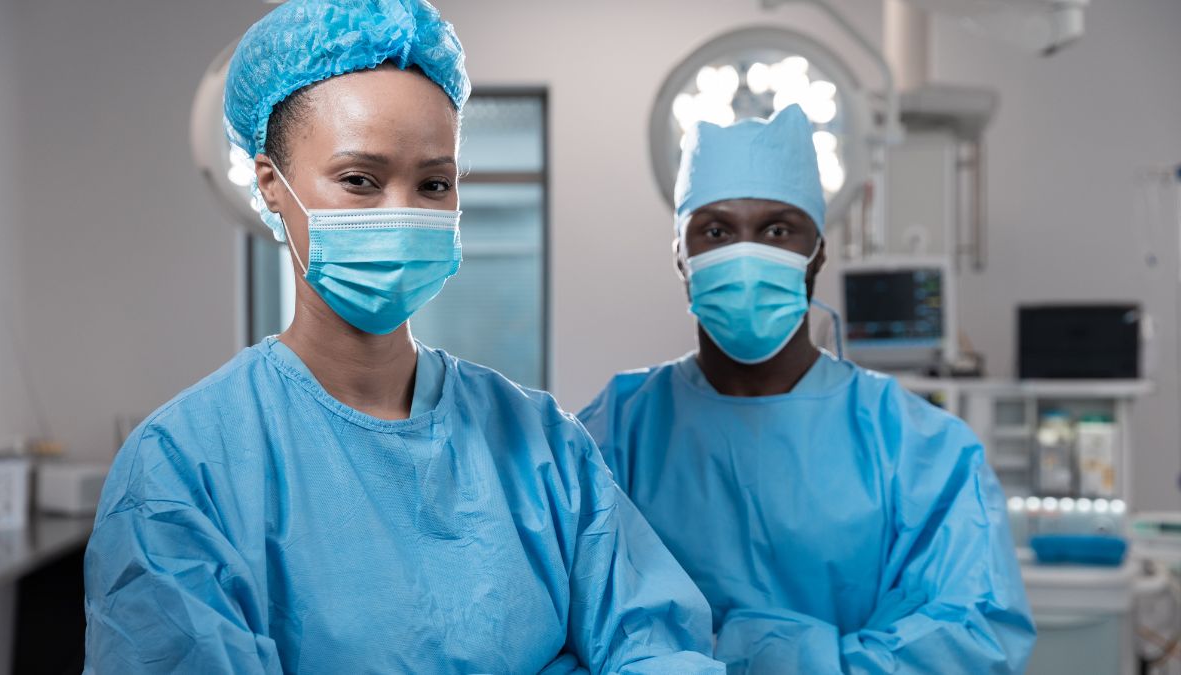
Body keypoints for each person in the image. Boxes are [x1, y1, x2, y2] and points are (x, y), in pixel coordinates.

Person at [82, 2, 723, 673]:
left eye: (433, 183)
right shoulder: (186, 468)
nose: (402, 212)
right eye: (360, 179)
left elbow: (655, 647)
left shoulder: (539, 444)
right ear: (271, 185)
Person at [578, 105, 1036, 673]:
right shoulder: (614, 434)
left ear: (817, 249)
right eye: (716, 231)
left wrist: (772, 659)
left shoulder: (919, 449)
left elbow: (973, 636)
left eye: (777, 229)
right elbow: (566, 617)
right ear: (680, 253)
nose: (746, 254)